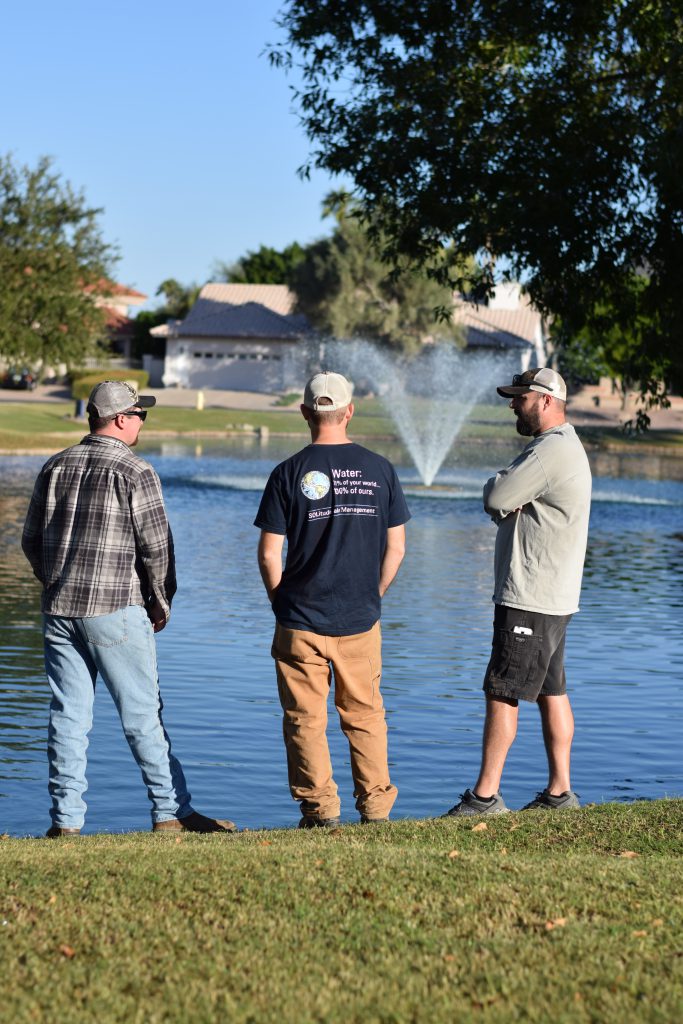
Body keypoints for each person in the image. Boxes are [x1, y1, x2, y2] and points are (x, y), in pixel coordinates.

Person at [22, 379, 236, 837]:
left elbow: (31, 541)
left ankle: (65, 823)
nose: (142, 421)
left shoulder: (54, 466)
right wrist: (161, 601)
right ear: (120, 419)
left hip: (60, 611)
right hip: (116, 609)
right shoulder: (135, 470)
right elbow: (157, 548)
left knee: (67, 718)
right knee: (142, 716)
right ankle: (169, 814)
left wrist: (56, 580)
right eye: (139, 414)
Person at [254, 371, 410, 827]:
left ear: (305, 413)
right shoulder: (381, 469)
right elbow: (397, 548)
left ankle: (321, 812)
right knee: (365, 716)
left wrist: (280, 602)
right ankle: (376, 809)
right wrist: (373, 593)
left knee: (305, 720)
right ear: (349, 411)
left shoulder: (287, 472)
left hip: (299, 618)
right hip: (360, 619)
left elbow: (269, 555)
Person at [444, 367, 592, 816]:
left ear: (545, 400)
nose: (512, 404)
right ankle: (560, 792)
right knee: (552, 690)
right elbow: (510, 498)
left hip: (530, 595)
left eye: (519, 398)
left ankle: (484, 797)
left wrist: (500, 484)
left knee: (502, 690)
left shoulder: (549, 452)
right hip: (555, 596)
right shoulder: (563, 447)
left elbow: (496, 496)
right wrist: (511, 493)